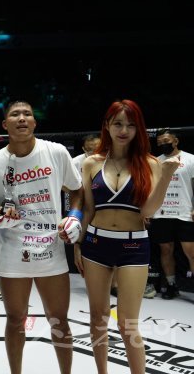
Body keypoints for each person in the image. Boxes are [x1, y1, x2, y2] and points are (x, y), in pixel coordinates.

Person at [74, 100, 180, 374]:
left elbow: (148, 211)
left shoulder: (150, 163)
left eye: (131, 125)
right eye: (118, 124)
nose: (124, 130)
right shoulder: (91, 163)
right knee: (98, 318)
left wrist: (166, 177)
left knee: (127, 324)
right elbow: (89, 209)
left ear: (139, 129)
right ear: (107, 126)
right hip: (95, 243)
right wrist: (78, 244)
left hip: (134, 246)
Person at [0, 100, 83, 374]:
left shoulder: (56, 152)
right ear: (5, 124)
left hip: (52, 248)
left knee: (59, 320)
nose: (22, 118)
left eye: (27, 114)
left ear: (35, 122)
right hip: (14, 251)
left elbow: (77, 190)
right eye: (15, 114)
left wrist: (75, 216)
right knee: (15, 319)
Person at [148, 128, 194, 299]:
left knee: (191, 253)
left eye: (166, 141)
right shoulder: (155, 162)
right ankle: (171, 285)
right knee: (166, 250)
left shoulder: (190, 159)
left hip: (185, 212)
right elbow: (151, 187)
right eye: (159, 142)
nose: (163, 144)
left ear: (175, 141)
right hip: (162, 212)